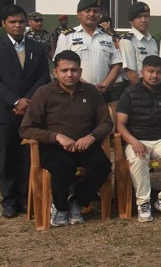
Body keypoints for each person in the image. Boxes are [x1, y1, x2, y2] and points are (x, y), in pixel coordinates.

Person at [19, 50, 113, 227]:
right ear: (55, 72)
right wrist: (56, 136)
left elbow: (106, 123)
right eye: (64, 70)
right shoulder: (44, 93)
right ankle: (60, 207)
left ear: (80, 71)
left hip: (84, 144)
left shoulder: (91, 92)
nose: (70, 74)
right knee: (64, 168)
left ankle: (76, 200)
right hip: (54, 147)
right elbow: (26, 129)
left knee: (103, 166)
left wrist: (92, 137)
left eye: (74, 70)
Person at [0, 4, 51, 218]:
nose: (17, 25)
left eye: (21, 21)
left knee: (27, 158)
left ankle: (25, 198)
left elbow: (44, 78)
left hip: (30, 113)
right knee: (6, 158)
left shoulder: (37, 48)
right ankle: (9, 201)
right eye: (12, 22)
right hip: (4, 113)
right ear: (4, 23)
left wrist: (27, 101)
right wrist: (15, 101)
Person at [115, 55, 161, 222]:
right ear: (142, 72)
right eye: (150, 71)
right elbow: (120, 125)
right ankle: (143, 202)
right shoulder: (129, 93)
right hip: (137, 139)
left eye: (159, 72)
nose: (154, 76)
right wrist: (133, 142)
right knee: (139, 158)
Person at [54, 0, 122, 102]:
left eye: (96, 11)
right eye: (87, 11)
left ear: (100, 15)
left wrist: (104, 86)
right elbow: (60, 65)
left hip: (102, 94)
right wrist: (87, 87)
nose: (92, 14)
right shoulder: (67, 36)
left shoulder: (108, 36)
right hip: (75, 93)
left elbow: (117, 64)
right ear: (79, 14)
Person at [118, 1, 159, 86]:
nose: (144, 20)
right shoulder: (128, 41)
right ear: (131, 21)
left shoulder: (153, 40)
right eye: (139, 17)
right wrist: (144, 93)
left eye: (146, 16)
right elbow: (130, 73)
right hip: (136, 88)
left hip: (153, 86)